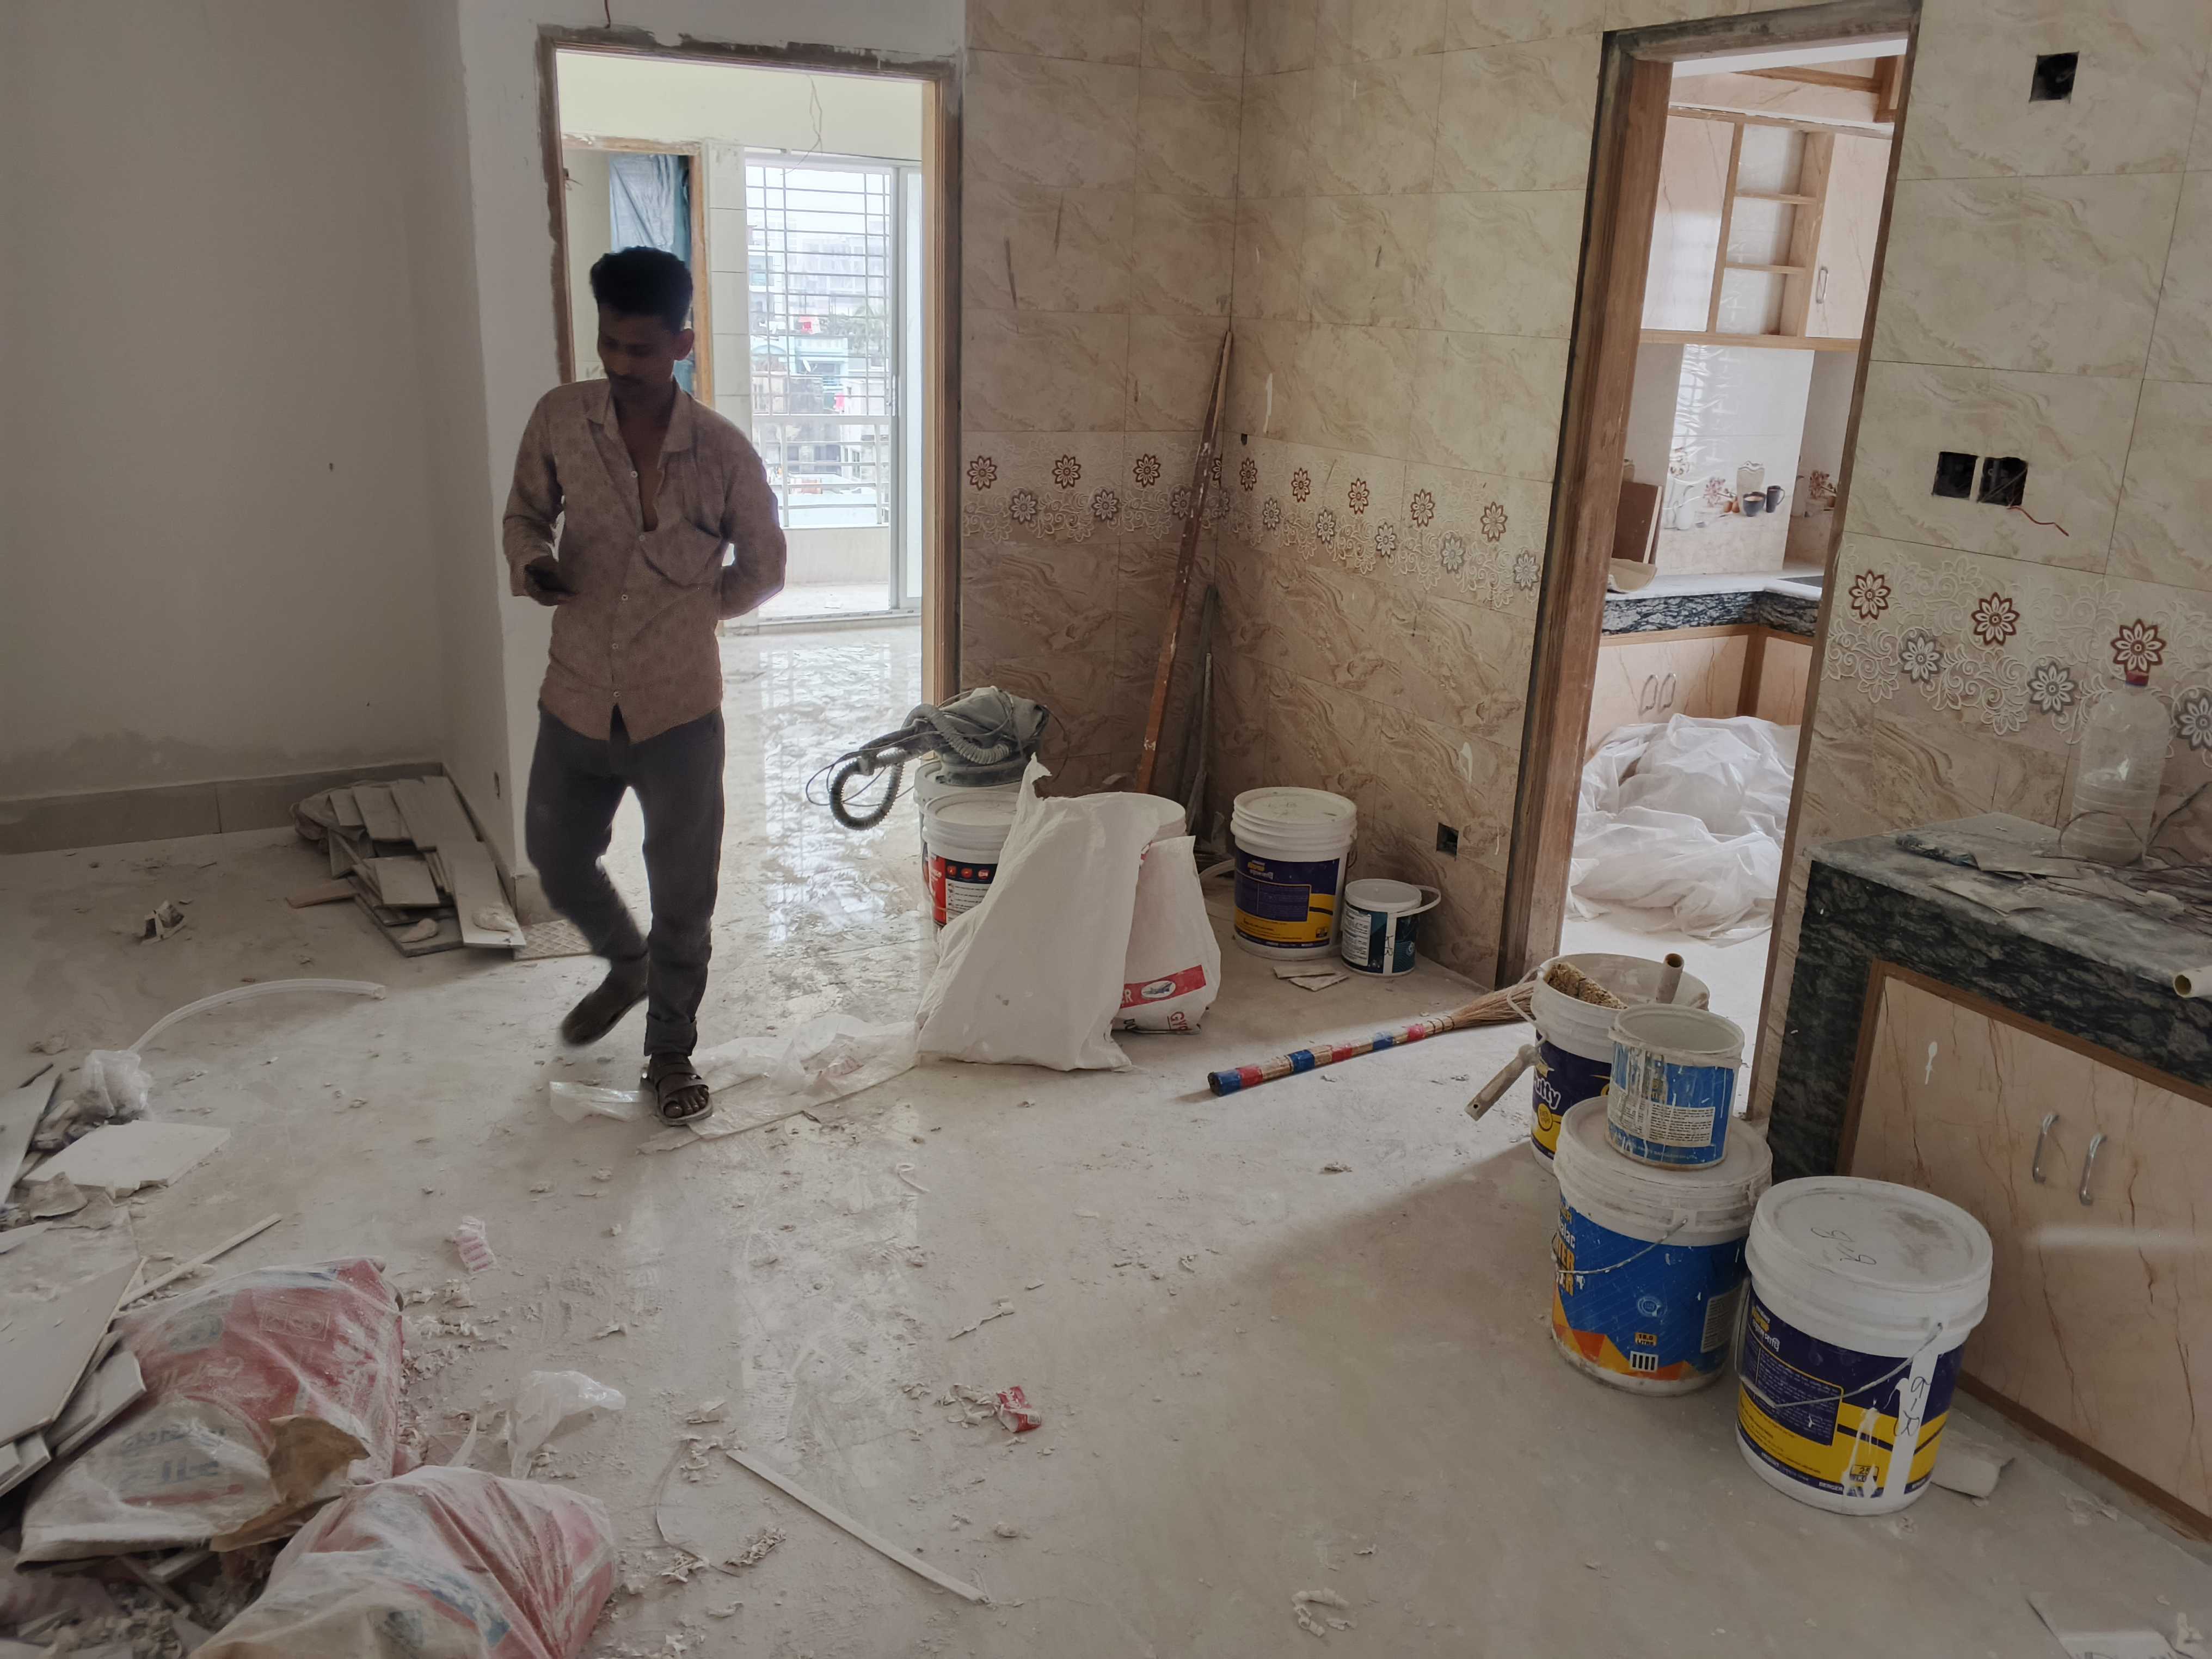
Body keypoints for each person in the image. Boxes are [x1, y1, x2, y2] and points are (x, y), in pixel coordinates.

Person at [502, 245, 785, 1123]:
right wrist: (534, 563)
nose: (623, 366)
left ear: (682, 344)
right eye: (610, 346)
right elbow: (525, 515)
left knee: (684, 895)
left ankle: (670, 1053)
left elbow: (765, 564)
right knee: (556, 857)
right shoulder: (561, 420)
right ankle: (626, 964)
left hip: (680, 711)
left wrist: (695, 611)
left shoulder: (722, 452)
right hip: (577, 693)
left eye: (643, 349)